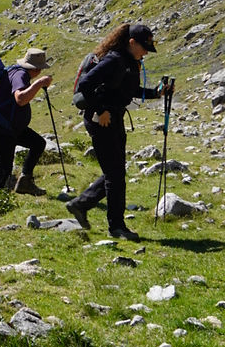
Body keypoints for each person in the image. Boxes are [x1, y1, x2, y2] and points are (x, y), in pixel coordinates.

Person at [67, 21, 172, 242]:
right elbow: (85, 85)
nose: (146, 52)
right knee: (115, 175)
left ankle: (80, 205)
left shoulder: (131, 62)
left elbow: (131, 90)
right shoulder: (114, 60)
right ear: (131, 42)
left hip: (115, 119)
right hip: (100, 120)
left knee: (115, 173)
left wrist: (157, 93)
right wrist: (101, 109)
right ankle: (116, 226)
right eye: (144, 47)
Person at [0, 47, 53, 196]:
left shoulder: (15, 71)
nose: (40, 72)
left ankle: (24, 182)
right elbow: (20, 99)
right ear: (35, 69)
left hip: (9, 127)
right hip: (1, 129)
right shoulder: (20, 75)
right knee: (4, 169)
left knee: (38, 143)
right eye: (40, 69)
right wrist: (39, 83)